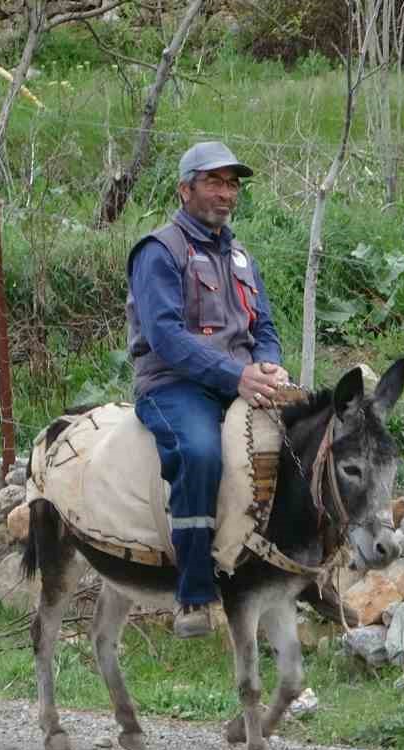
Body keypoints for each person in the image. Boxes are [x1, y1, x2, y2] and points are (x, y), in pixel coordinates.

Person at [125, 141, 289, 638]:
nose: (226, 194)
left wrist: (270, 368)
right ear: (185, 188)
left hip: (239, 383)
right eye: (214, 182)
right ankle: (193, 595)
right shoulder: (159, 251)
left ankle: (289, 573)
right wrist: (236, 377)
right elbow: (167, 338)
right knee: (199, 452)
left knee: (313, 437)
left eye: (232, 183)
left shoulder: (239, 255)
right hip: (174, 386)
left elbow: (265, 326)